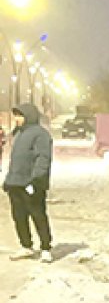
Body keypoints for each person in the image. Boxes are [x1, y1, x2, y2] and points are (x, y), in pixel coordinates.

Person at [5, 103, 53, 263]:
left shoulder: (40, 134)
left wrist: (37, 180)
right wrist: (9, 180)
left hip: (31, 184)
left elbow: (43, 158)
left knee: (38, 215)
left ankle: (46, 248)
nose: (17, 119)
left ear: (29, 116)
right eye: (16, 115)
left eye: (20, 115)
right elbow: (16, 161)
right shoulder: (19, 134)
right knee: (19, 216)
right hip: (16, 183)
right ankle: (26, 245)